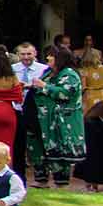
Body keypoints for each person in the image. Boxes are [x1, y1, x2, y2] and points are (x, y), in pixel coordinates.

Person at [30, 45, 86, 188]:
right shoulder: (49, 72)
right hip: (44, 121)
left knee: (60, 154)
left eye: (51, 56)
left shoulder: (70, 74)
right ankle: (41, 180)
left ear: (60, 59)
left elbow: (65, 93)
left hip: (62, 122)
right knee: (40, 149)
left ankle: (61, 183)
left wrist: (43, 86)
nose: (48, 58)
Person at [13, 42, 49, 183]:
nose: (26, 57)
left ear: (35, 54)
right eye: (23, 54)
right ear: (18, 55)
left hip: (36, 112)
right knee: (18, 145)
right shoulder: (12, 69)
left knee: (38, 144)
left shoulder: (44, 69)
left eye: (29, 54)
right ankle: (19, 177)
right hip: (17, 110)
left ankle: (42, 176)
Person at [75, 48, 103, 194]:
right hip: (101, 97)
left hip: (90, 100)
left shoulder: (83, 71)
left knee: (91, 138)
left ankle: (90, 182)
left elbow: (83, 86)